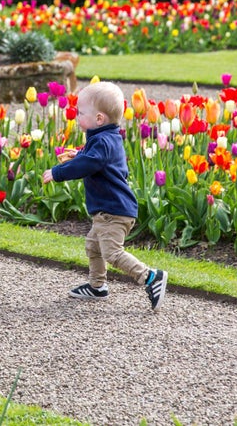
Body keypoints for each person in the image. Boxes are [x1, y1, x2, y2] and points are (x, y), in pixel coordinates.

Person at [42, 81, 168, 310]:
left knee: (112, 252)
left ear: (99, 118)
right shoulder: (105, 137)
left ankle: (150, 277)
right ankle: (97, 286)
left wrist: (58, 172)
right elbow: (91, 157)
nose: (76, 116)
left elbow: (90, 163)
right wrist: (78, 153)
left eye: (80, 113)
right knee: (93, 246)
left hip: (113, 211)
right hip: (109, 210)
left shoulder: (102, 141)